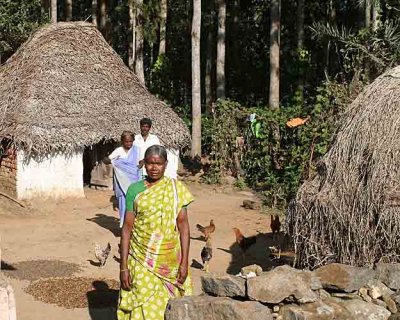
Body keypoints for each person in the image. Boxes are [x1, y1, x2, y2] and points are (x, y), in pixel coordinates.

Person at [117, 145, 194, 320]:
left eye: (158, 163)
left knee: (170, 307)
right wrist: (123, 267)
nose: (154, 168)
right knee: (141, 304)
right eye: (150, 163)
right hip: (140, 259)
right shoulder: (134, 190)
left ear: (165, 164)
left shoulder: (176, 189)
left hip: (170, 262)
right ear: (144, 164)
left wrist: (184, 263)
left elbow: (183, 227)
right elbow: (127, 229)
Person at [104, 131, 140, 227]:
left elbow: (139, 163)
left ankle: (134, 225)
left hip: (134, 180)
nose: (128, 144)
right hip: (121, 181)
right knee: (123, 202)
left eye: (130, 141)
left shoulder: (137, 150)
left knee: (134, 202)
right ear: (122, 141)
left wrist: (137, 168)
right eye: (126, 142)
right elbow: (106, 160)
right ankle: (124, 224)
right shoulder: (118, 151)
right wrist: (114, 162)